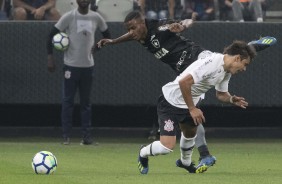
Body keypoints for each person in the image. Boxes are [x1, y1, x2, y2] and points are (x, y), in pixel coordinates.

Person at [97, 10, 276, 170]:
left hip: (193, 58)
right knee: (189, 123)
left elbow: (182, 24)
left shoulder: (159, 26)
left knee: (194, 118)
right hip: (185, 76)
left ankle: (252, 46)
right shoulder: (141, 36)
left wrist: (183, 25)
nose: (131, 33)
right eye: (129, 30)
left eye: (133, 28)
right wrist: (113, 41)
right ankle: (195, 157)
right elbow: (131, 35)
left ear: (143, 23)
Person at [138, 40, 257, 174]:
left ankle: (185, 162)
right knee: (167, 147)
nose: (244, 69)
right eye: (245, 64)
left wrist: (231, 99)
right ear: (237, 58)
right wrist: (193, 109)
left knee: (190, 135)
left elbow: (221, 94)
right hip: (171, 101)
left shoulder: (226, 71)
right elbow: (184, 83)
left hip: (189, 104)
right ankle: (143, 152)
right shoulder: (212, 63)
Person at [46, 0, 110, 145]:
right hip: (71, 66)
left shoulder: (96, 17)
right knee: (67, 101)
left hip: (88, 67)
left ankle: (86, 137)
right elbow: (50, 35)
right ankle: (66, 136)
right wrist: (50, 57)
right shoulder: (69, 16)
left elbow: (107, 34)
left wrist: (97, 48)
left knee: (86, 103)